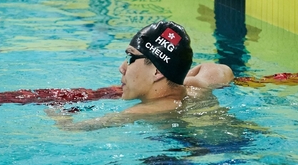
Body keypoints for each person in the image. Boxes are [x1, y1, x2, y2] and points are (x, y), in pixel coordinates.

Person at [47, 21, 235, 131]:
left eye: (130, 58)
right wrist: (178, 77)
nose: (122, 68)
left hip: (209, 152)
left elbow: (71, 131)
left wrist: (58, 115)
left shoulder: (143, 110)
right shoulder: (197, 88)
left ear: (157, 72)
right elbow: (222, 70)